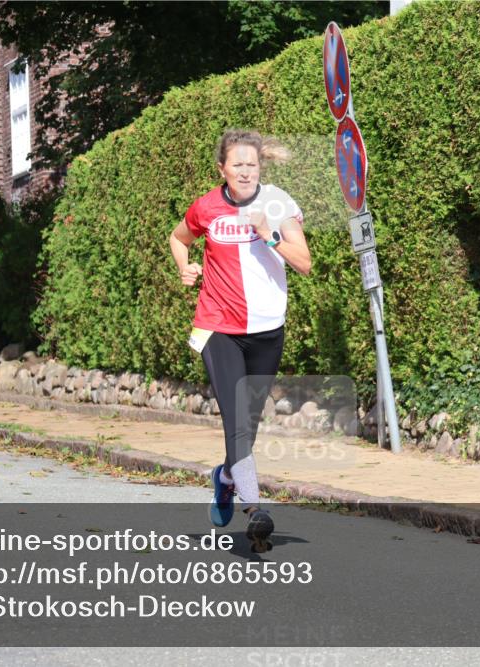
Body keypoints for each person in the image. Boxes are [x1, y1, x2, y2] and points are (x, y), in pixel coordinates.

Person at [169, 129, 311, 551]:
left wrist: (269, 233)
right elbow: (179, 238)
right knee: (235, 420)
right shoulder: (206, 207)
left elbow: (303, 263)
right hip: (218, 327)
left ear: (259, 167)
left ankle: (226, 477)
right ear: (222, 170)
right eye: (237, 165)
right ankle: (255, 509)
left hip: (268, 328)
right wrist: (185, 267)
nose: (245, 171)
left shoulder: (278, 203)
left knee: (249, 423)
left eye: (252, 164)